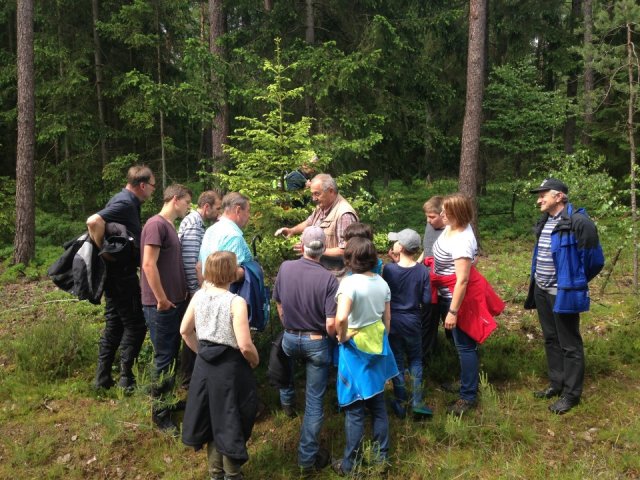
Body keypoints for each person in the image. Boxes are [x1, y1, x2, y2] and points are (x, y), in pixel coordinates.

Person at [525, 178, 604, 414]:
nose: (539, 199)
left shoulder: (579, 222)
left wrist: (573, 282)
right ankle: (556, 384)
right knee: (550, 338)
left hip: (562, 294)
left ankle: (571, 395)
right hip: (541, 289)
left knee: (570, 344)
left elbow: (595, 261)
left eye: (543, 195)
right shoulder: (545, 221)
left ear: (559, 196)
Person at [181, 251, 259, 480]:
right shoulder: (236, 302)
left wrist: (201, 353)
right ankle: (232, 474)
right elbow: (245, 345)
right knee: (231, 419)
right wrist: (254, 360)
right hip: (230, 368)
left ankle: (216, 474)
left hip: (204, 368)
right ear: (230, 272)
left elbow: (185, 331)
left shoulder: (198, 296)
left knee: (213, 419)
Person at [272, 226, 338, 474]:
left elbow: (279, 303)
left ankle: (287, 404)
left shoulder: (286, 268)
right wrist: (332, 340)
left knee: (286, 365)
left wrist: (287, 325)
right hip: (316, 342)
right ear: (323, 248)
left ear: (302, 244)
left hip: (289, 337)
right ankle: (306, 460)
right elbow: (331, 324)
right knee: (314, 402)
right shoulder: (329, 278)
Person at [332, 237, 398, 476]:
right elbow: (387, 321)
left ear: (349, 258)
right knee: (378, 404)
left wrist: (342, 336)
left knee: (354, 408)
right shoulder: (382, 282)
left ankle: (350, 464)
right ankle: (381, 458)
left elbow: (340, 319)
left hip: (354, 350)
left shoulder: (349, 284)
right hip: (377, 346)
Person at [86, 165, 155, 390]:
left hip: (115, 277)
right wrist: (102, 251)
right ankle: (127, 379)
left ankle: (102, 379)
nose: (153, 191)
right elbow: (93, 221)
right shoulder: (125, 202)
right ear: (142, 185)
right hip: (121, 277)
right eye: (152, 186)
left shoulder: (124, 200)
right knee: (136, 325)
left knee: (115, 325)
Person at [140, 184, 192, 432]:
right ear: (175, 199)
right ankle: (159, 414)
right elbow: (148, 265)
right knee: (163, 358)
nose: (188, 207)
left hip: (174, 302)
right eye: (187, 202)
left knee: (170, 355)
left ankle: (168, 402)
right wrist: (161, 299)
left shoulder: (170, 226)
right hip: (161, 305)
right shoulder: (156, 224)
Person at [431, 194, 479, 415]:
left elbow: (463, 279)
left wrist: (453, 311)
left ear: (456, 215)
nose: (441, 215)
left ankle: (468, 396)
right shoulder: (453, 228)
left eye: (445, 212)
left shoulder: (463, 240)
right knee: (458, 343)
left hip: (455, 298)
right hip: (445, 292)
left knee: (465, 346)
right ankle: (465, 382)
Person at [382, 228, 432, 418]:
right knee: (416, 360)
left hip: (393, 321)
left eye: (395, 242)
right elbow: (427, 300)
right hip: (413, 321)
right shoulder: (422, 271)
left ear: (400, 247)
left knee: (397, 361)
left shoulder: (389, 269)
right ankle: (418, 402)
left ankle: (401, 402)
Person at [178, 190, 222, 387]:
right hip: (193, 289)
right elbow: (190, 261)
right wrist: (196, 290)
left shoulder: (195, 222)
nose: (219, 213)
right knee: (193, 331)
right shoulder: (195, 225)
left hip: (192, 288)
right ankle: (188, 379)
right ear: (206, 207)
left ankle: (190, 376)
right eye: (217, 208)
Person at [274, 174, 358, 272]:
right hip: (321, 269)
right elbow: (309, 222)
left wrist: (313, 250)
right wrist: (291, 231)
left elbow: (346, 250)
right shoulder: (323, 206)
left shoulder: (344, 215)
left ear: (331, 191)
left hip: (337, 274)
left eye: (317, 194)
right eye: (312, 194)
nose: (313, 198)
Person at [198, 192, 252, 282]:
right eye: (248, 211)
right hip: (230, 293)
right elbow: (230, 275)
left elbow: (199, 266)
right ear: (238, 210)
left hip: (208, 289)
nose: (249, 215)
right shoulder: (234, 236)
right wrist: (252, 270)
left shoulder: (210, 230)